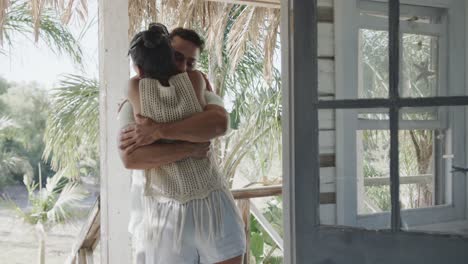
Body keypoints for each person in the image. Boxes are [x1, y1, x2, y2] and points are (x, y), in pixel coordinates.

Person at [118, 24, 245, 264]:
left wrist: (158, 131)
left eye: (191, 63)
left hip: (213, 205)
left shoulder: (194, 84)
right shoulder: (131, 102)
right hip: (164, 213)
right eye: (177, 57)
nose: (183, 67)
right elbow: (131, 158)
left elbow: (218, 124)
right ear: (166, 53)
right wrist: (189, 147)